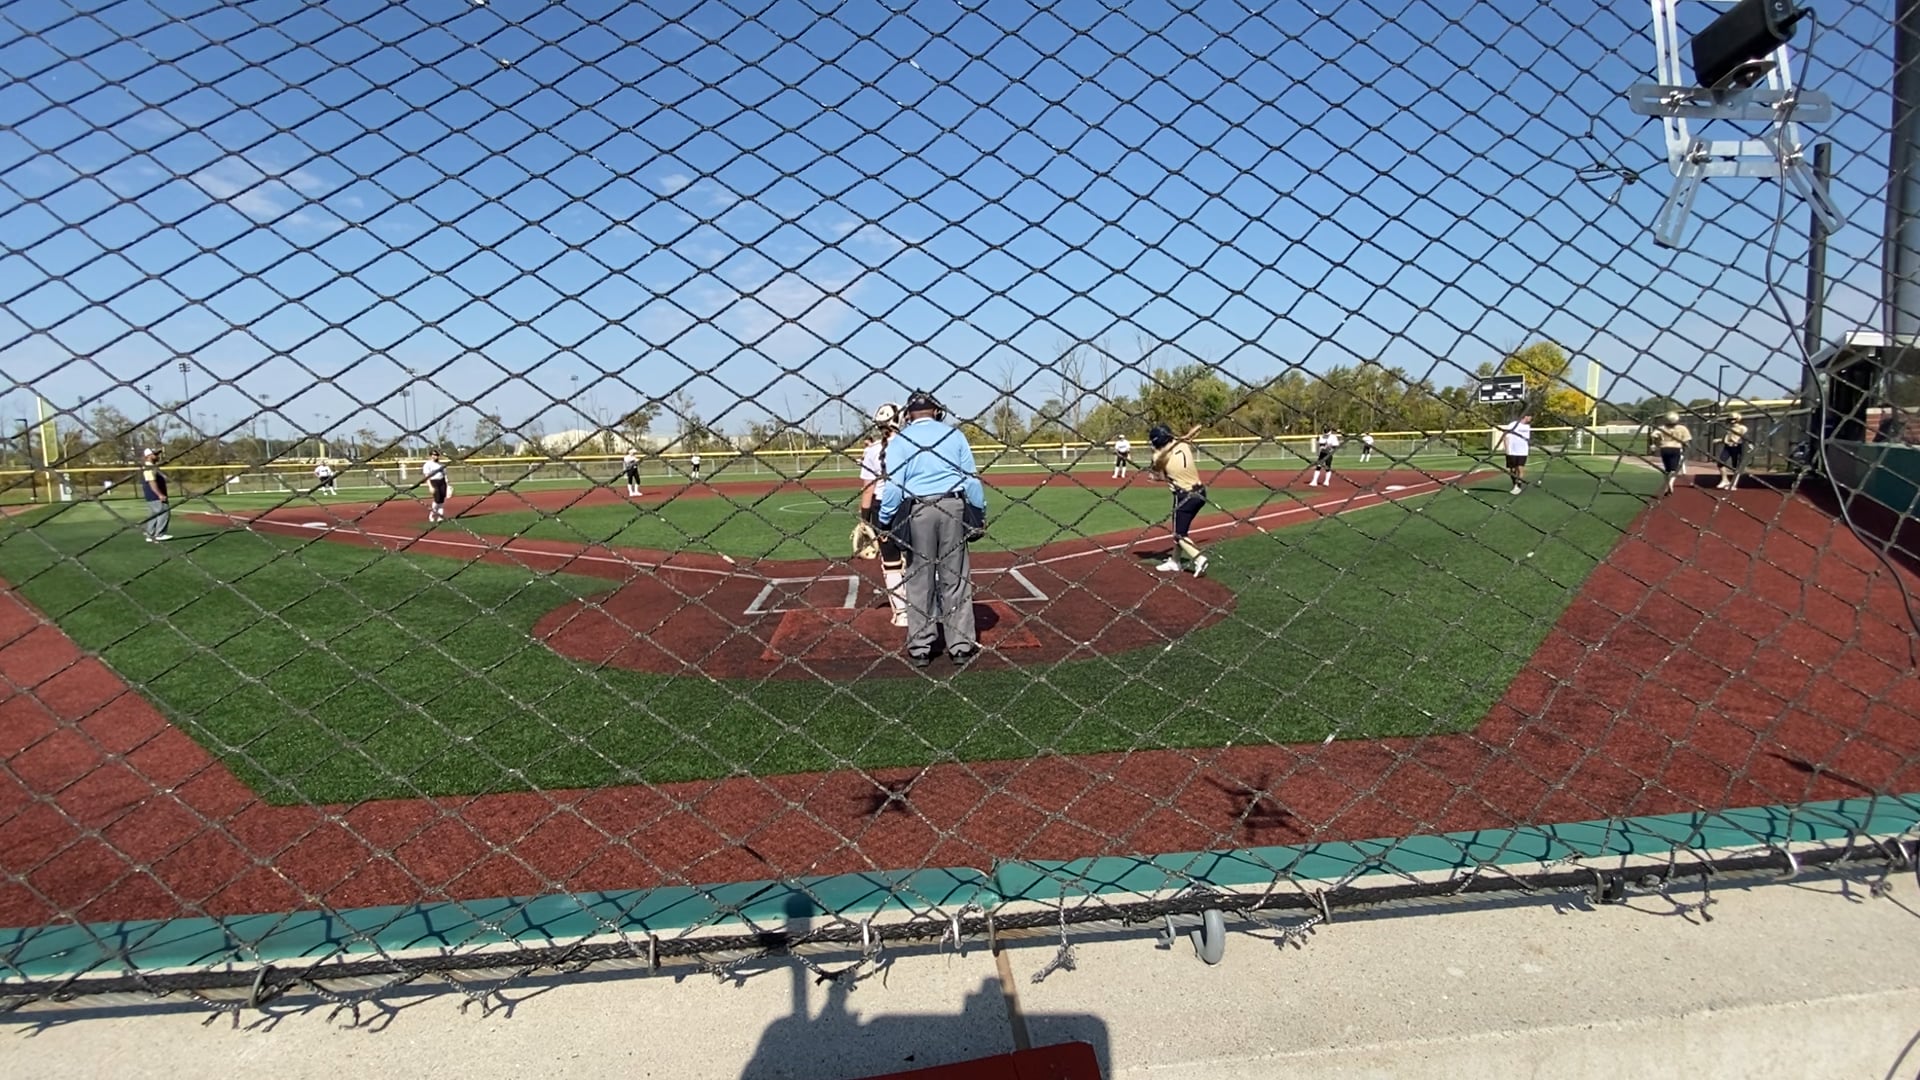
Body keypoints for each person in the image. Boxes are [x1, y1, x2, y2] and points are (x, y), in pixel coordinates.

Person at [877, 390, 987, 668]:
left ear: (908, 414)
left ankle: (920, 648)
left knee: (918, 579)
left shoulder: (901, 440)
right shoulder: (954, 435)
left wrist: (884, 519)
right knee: (955, 578)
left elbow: (894, 487)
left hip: (917, 510)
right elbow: (971, 479)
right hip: (953, 506)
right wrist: (979, 511)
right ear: (937, 411)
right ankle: (960, 646)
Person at [858, 402, 909, 627]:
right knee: (921, 556)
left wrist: (864, 519)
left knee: (890, 561)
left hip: (881, 508)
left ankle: (901, 613)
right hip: (910, 505)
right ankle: (929, 606)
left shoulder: (871, 451)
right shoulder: (912, 446)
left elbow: (868, 489)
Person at [1148, 423, 1209, 577]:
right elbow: (1192, 433)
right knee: (1182, 530)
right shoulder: (1182, 443)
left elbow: (1156, 475)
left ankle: (1199, 558)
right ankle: (1175, 561)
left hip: (1185, 497)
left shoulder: (1158, 456)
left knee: (1178, 535)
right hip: (1201, 493)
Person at [1651, 411, 1691, 495]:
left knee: (1667, 469)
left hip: (1664, 448)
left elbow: (1653, 435)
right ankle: (1671, 483)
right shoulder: (1682, 428)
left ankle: (1667, 484)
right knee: (1674, 470)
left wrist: (1656, 443)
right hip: (1676, 448)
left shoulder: (1662, 428)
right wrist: (1685, 447)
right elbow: (1686, 441)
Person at [138, 448, 172, 542]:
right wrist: (159, 494)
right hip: (155, 496)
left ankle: (150, 535)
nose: (157, 456)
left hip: (151, 496)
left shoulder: (152, 466)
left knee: (153, 515)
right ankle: (159, 534)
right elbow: (151, 482)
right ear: (148, 456)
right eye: (155, 454)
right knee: (164, 512)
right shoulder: (149, 467)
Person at [1499, 414, 1533, 495]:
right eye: (1530, 416)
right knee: (1512, 470)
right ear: (1526, 416)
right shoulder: (1513, 425)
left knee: (1520, 469)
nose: (1531, 418)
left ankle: (1518, 486)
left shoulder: (1528, 427)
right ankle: (1515, 485)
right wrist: (1507, 450)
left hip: (1523, 452)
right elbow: (1506, 437)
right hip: (1512, 451)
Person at [1716, 411, 1748, 490]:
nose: (1730, 421)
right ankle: (1724, 480)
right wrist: (1719, 440)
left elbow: (1744, 439)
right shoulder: (1729, 428)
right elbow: (1728, 438)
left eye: (1732, 419)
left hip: (1737, 447)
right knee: (1720, 462)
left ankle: (1734, 484)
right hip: (1728, 447)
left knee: (1736, 466)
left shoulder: (1742, 428)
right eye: (1729, 419)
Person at [422, 450, 449, 522]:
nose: (435, 456)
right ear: (431, 456)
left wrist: (448, 485)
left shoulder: (441, 465)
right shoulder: (428, 464)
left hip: (442, 481)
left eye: (436, 455)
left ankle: (440, 516)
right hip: (434, 481)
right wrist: (430, 486)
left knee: (442, 499)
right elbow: (427, 476)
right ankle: (432, 514)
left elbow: (445, 475)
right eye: (433, 455)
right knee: (437, 499)